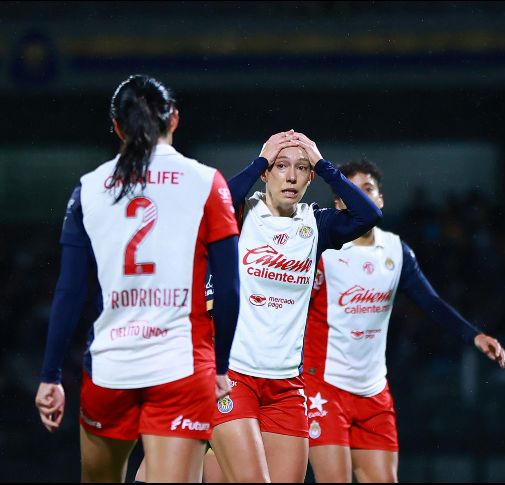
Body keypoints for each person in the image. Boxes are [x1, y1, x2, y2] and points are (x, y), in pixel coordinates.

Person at [34, 74, 240, 483]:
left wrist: (50, 375)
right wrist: (222, 367)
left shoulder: (89, 190)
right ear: (174, 120)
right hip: (181, 369)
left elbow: (70, 292)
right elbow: (231, 290)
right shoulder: (206, 183)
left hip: (111, 369)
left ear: (116, 126)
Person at [303, 159, 505, 483]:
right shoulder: (321, 249)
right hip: (324, 388)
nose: (363, 197)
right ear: (339, 202)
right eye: (353, 191)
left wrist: (473, 336)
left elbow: (430, 301)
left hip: (373, 390)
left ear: (381, 199)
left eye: (368, 189)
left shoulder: (396, 251)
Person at [207, 131, 383, 483]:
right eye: (280, 166)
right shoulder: (243, 215)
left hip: (286, 386)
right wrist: (260, 158)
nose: (290, 176)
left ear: (310, 176)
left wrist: (323, 163)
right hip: (232, 377)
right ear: (265, 173)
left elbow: (368, 215)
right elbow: (213, 203)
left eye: (301, 168)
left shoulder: (315, 223)